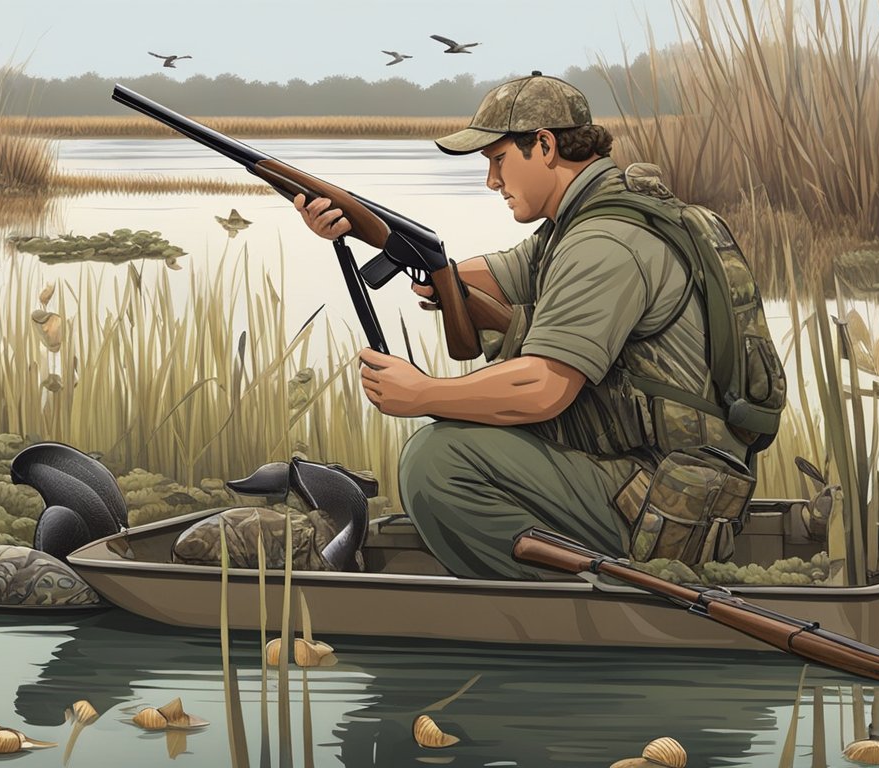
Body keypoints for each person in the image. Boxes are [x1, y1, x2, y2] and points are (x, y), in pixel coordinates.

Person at [294, 72, 757, 580]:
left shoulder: (604, 242)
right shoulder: (596, 218)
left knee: (435, 460)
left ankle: (564, 605)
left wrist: (423, 393)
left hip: (667, 504)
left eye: (498, 161)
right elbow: (489, 276)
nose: (491, 181)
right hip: (675, 480)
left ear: (544, 145)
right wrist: (367, 235)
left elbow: (543, 388)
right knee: (464, 431)